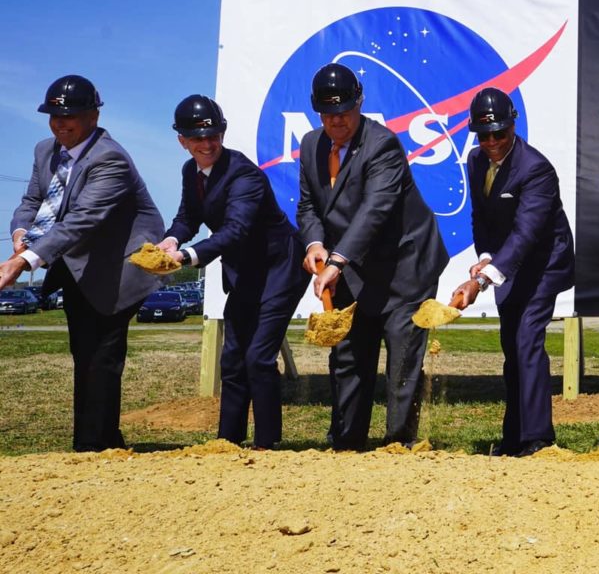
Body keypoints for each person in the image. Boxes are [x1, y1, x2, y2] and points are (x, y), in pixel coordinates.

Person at [0, 75, 164, 451]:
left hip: (119, 269)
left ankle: (94, 449)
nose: (61, 123)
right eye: (53, 115)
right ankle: (100, 442)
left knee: (101, 356)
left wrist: (24, 261)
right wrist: (20, 235)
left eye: (70, 115)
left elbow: (84, 219)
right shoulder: (46, 150)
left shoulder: (110, 158)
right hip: (77, 266)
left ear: (93, 115)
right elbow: (32, 202)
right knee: (84, 354)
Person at [296, 63, 449, 450]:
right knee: (348, 356)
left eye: (344, 112)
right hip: (353, 271)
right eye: (328, 114)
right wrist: (315, 244)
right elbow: (309, 206)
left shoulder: (382, 144)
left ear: (359, 103)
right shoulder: (312, 145)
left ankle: (399, 445)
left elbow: (375, 210)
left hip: (405, 268)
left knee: (401, 363)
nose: (337, 121)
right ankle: (348, 443)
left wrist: (336, 260)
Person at [154, 95, 307, 449]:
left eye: (213, 136)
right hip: (245, 273)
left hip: (280, 269)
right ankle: (228, 442)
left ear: (222, 133)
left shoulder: (244, 175)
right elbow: (189, 216)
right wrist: (171, 240)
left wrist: (188, 257)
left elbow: (235, 229)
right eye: (197, 138)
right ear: (182, 141)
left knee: (258, 357)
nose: (206, 144)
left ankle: (268, 444)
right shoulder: (190, 171)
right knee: (233, 357)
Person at [448, 87, 574, 457]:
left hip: (543, 263)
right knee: (511, 346)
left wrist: (481, 279)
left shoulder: (536, 169)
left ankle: (537, 439)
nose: (491, 142)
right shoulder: (474, 161)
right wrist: (486, 256)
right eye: (483, 135)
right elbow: (481, 218)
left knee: (526, 341)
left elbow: (526, 235)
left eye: (499, 134)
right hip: (506, 264)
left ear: (513, 126)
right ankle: (514, 435)